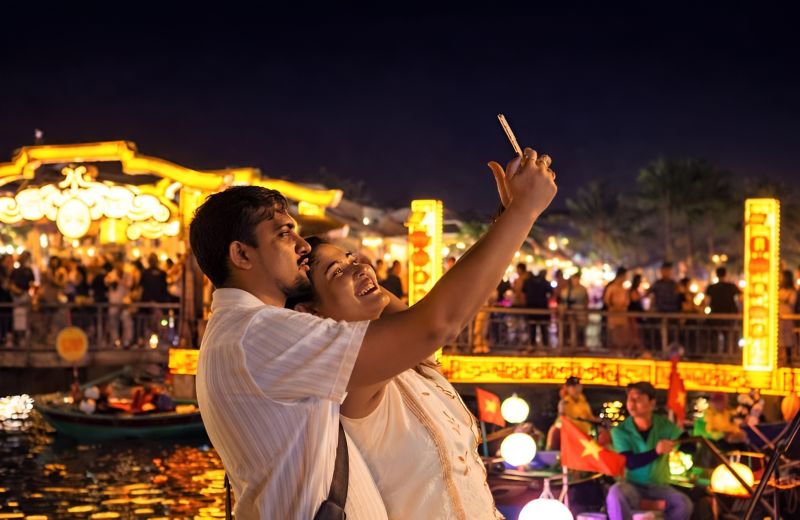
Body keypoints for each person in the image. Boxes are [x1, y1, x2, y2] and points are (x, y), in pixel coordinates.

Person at [189, 147, 557, 518]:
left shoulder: (255, 332)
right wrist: (523, 212)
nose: (301, 247)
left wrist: (510, 217)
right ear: (241, 255)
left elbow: (422, 316)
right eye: (285, 235)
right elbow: (434, 324)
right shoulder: (257, 333)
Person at [288, 237, 503, 518]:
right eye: (336, 271)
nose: (360, 268)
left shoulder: (411, 365)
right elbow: (435, 324)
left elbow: (413, 316)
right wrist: (522, 210)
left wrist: (362, 280)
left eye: (352, 258)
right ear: (308, 311)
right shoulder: (354, 384)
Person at [606, 381, 693, 520]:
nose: (632, 404)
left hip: (660, 487)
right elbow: (630, 462)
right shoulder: (620, 431)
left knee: (683, 504)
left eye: (638, 399)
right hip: (633, 486)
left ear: (652, 403)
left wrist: (679, 439)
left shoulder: (664, 425)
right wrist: (656, 451)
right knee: (616, 492)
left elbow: (690, 447)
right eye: (630, 399)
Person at [604, 267, 630, 352]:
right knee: (614, 340)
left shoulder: (624, 289)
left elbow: (627, 301)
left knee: (623, 339)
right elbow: (607, 301)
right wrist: (615, 307)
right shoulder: (611, 288)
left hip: (623, 318)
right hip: (614, 318)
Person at [778, 270, 797, 362]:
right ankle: (780, 357)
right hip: (779, 316)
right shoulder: (780, 290)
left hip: (788, 317)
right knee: (779, 336)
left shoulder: (792, 291)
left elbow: (792, 302)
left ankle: (788, 358)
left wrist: (782, 301)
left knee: (788, 337)